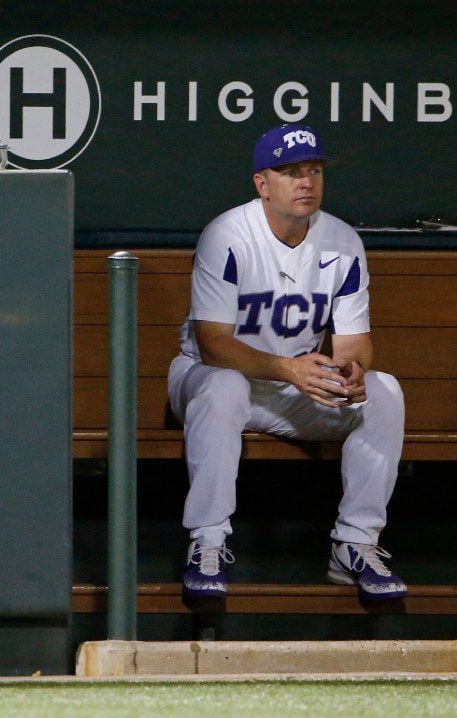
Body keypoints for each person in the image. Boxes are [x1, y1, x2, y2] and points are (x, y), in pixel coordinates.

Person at [168, 123, 407, 601]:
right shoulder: (228, 234)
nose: (306, 182)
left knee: (384, 391)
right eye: (290, 171)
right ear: (262, 183)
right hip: (207, 379)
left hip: (291, 388)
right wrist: (289, 370)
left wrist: (350, 371)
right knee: (224, 387)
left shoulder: (342, 241)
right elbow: (214, 343)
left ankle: (356, 544)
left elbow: (354, 340)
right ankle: (207, 542)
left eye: (314, 171)